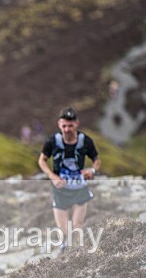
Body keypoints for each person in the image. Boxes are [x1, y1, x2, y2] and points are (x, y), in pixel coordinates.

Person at [38, 107, 101, 253]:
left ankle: (75, 254)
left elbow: (97, 160)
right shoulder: (52, 141)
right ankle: (64, 250)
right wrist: (52, 176)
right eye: (64, 126)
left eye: (70, 126)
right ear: (59, 124)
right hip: (60, 189)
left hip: (80, 188)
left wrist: (92, 171)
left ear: (76, 123)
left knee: (77, 225)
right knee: (63, 229)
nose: (67, 129)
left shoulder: (85, 141)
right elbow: (42, 160)